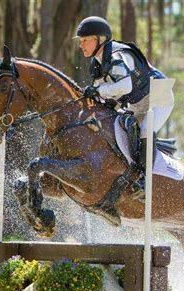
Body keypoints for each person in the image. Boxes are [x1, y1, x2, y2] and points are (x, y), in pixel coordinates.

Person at [74, 16, 174, 192]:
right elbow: (103, 93)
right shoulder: (96, 62)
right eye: (80, 41)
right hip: (137, 102)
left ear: (100, 39)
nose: (81, 45)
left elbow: (125, 86)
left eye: (85, 40)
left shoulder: (116, 55)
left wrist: (98, 91)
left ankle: (144, 179)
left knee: (145, 129)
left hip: (159, 95)